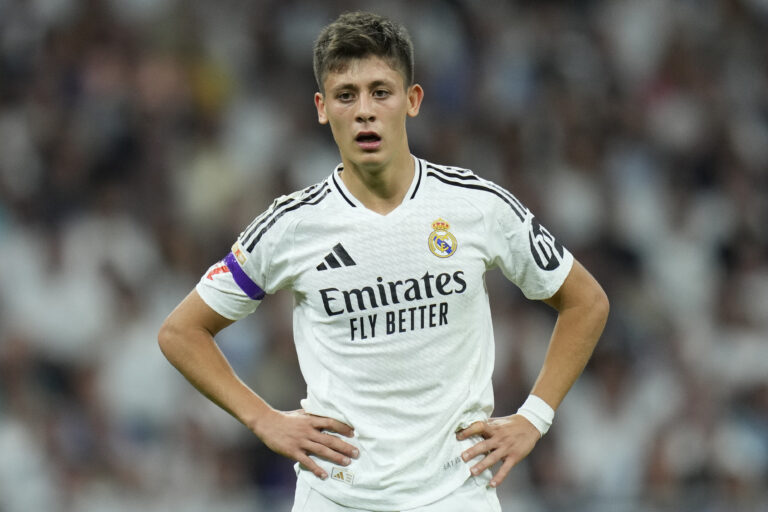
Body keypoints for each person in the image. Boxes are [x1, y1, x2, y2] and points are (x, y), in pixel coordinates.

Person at [158, 11, 609, 512]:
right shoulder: (291, 226)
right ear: (322, 108)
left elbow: (586, 301)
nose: (364, 111)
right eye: (345, 95)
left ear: (412, 101)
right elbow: (181, 333)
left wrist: (534, 417)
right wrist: (264, 419)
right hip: (336, 496)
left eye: (381, 91)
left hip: (455, 495)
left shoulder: (476, 206)